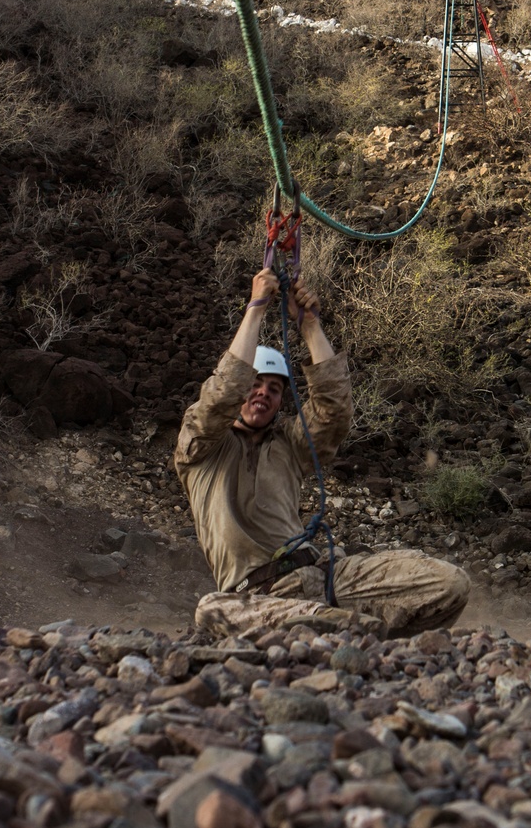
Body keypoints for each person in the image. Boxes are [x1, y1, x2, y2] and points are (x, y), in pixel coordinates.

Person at [175, 267, 470, 639]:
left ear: (282, 400)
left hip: (327, 577)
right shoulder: (199, 449)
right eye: (254, 384)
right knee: (212, 608)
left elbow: (334, 410)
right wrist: (256, 307)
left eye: (273, 388)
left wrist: (310, 325)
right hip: (259, 596)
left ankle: (337, 629)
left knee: (448, 582)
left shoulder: (289, 445)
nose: (262, 392)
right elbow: (220, 396)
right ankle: (346, 631)